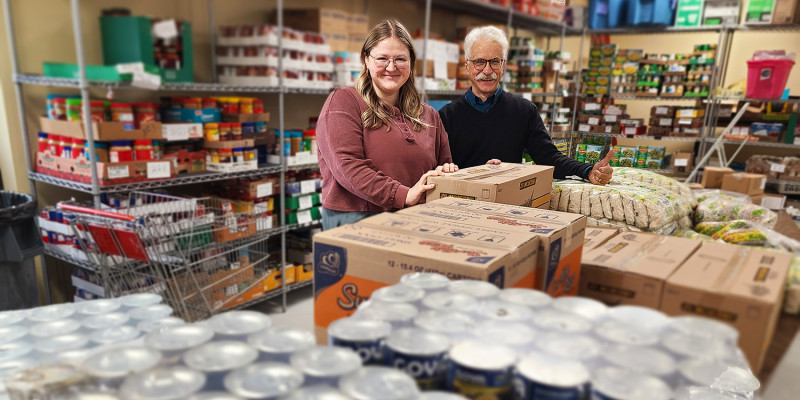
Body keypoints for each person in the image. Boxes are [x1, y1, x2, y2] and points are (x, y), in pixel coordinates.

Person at [317, 19, 457, 230]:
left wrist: (446, 171)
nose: (391, 67)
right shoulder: (344, 102)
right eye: (382, 58)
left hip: (417, 220)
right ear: (366, 60)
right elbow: (347, 166)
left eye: (400, 59)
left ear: (411, 63)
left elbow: (442, 166)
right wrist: (404, 195)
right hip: (357, 222)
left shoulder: (429, 116)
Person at [438, 26, 613, 186]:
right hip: (462, 202)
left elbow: (548, 157)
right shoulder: (446, 116)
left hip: (508, 202)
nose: (487, 70)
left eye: (495, 61)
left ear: (503, 65)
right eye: (479, 62)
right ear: (467, 65)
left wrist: (587, 170)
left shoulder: (523, 111)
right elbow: (439, 166)